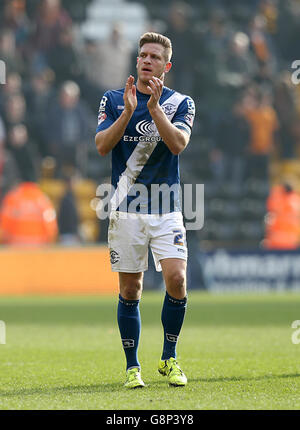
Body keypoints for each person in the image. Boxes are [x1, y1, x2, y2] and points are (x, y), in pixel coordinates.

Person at [95, 32, 195, 388]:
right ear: (136, 60)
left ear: (166, 66)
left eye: (154, 56)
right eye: (142, 55)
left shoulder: (181, 103)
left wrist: (153, 110)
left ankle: (169, 358)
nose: (146, 60)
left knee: (177, 280)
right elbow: (102, 146)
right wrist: (126, 113)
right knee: (131, 290)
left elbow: (178, 144)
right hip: (126, 208)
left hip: (166, 207)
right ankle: (132, 367)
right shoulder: (112, 98)